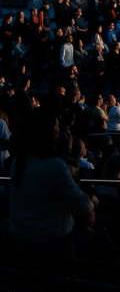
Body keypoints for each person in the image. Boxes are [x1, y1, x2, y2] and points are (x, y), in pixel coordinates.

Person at [4, 106, 95, 270]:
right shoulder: (55, 167)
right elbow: (81, 206)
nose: (59, 129)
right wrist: (91, 201)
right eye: (56, 126)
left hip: (21, 239)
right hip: (51, 245)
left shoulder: (19, 161)